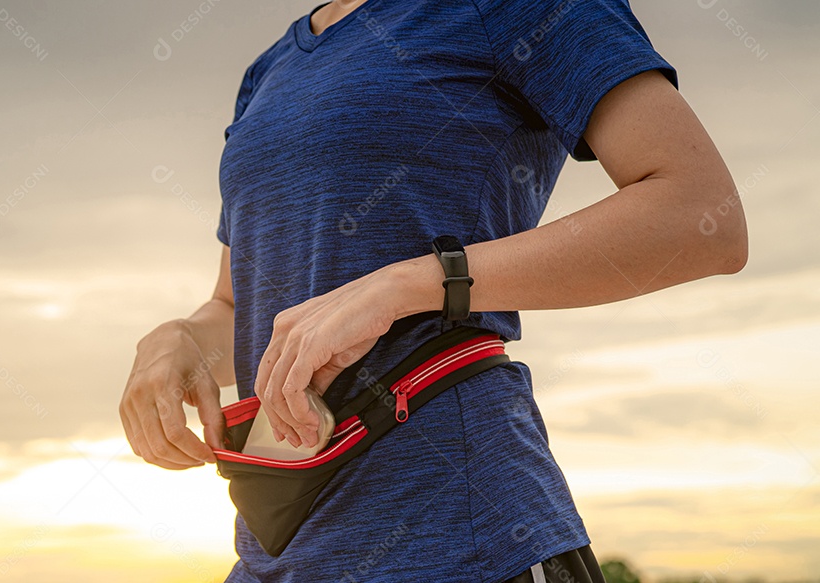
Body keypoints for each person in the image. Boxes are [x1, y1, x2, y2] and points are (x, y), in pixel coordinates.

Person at [121, 0, 749, 581]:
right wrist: (181, 338)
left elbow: (704, 217)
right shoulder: (268, 72)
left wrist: (408, 283)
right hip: (280, 543)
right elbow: (241, 304)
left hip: (463, 532)